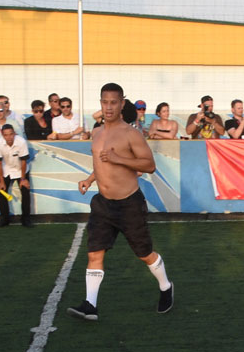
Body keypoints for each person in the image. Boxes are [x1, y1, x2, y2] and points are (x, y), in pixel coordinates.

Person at [68, 82, 174, 321]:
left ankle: (166, 287)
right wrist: (90, 178)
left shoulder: (131, 134)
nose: (108, 107)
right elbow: (101, 163)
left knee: (144, 253)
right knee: (94, 252)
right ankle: (90, 305)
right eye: (104, 102)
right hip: (103, 203)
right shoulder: (96, 133)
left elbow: (149, 165)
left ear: (122, 104)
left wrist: (118, 158)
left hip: (129, 204)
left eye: (113, 102)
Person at [0, 123, 32, 228]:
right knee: (2, 193)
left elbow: (24, 161)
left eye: (11, 134)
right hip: (6, 169)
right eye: (6, 135)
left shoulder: (21, 142)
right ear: (2, 135)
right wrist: (1, 181)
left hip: (21, 170)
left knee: (25, 192)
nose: (9, 137)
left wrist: (23, 179)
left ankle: (26, 219)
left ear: (14, 133)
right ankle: (4, 219)